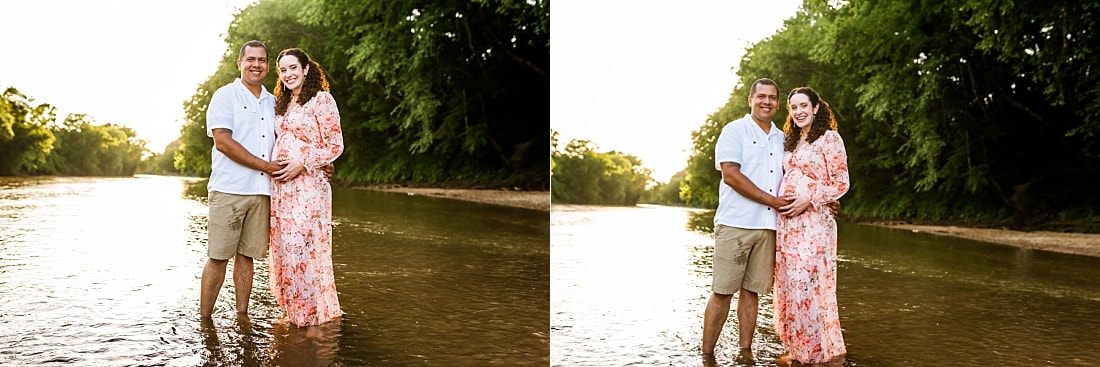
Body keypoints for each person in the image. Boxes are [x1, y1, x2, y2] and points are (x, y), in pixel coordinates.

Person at [702, 78, 791, 363]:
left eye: (773, 97)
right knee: (722, 291)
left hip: (768, 227)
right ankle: (706, 356)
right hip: (736, 223)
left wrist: (827, 200)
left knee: (752, 292)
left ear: (778, 103)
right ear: (750, 99)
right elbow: (731, 175)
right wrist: (773, 201)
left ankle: (745, 353)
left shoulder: (782, 139)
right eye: (761, 96)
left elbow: (801, 175)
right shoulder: (734, 130)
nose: (767, 102)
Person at [200, 40, 286, 318]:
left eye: (262, 60)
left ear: (268, 67)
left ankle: (242, 316)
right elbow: (223, 142)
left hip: (263, 191)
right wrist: (266, 165)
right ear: (240, 63)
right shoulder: (225, 96)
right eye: (251, 59)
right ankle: (204, 319)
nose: (256, 65)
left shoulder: (275, 103)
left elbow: (292, 139)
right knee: (218, 256)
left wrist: (318, 165)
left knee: (247, 257)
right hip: (230, 188)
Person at [267, 47, 345, 330]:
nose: (288, 74)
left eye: (292, 68)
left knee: (305, 248)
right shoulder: (281, 103)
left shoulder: (321, 100)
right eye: (283, 70)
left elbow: (335, 145)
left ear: (306, 69)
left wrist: (303, 163)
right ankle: (295, 314)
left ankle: (313, 320)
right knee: (285, 249)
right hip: (282, 190)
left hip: (310, 185)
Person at [773, 87, 850, 366]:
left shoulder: (830, 139)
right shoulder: (791, 142)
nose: (798, 111)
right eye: (793, 107)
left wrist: (810, 198)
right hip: (788, 225)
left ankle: (818, 352)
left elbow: (842, 183)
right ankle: (798, 350)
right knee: (790, 284)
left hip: (816, 223)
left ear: (816, 108)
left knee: (810, 283)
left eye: (804, 105)